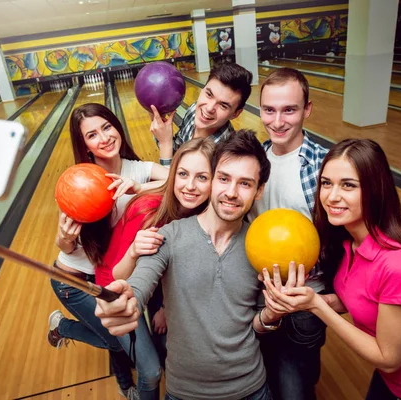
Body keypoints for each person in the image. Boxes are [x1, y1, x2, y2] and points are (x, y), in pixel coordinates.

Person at [261, 139, 401, 400]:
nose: (332, 196)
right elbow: (360, 296)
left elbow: (389, 359)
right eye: (327, 183)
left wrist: (316, 306)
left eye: (348, 185)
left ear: (376, 189)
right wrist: (309, 300)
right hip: (389, 384)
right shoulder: (350, 244)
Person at [95, 129, 281, 400]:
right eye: (224, 178)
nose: (230, 192)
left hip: (252, 388)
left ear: (259, 190)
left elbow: (256, 323)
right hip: (186, 393)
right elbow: (138, 284)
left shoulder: (262, 247)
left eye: (245, 183)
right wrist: (125, 301)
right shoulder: (168, 235)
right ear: (214, 180)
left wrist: (271, 317)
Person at [48, 103, 167, 400]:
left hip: (115, 278)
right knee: (145, 366)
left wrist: (140, 186)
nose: (103, 138)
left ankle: (122, 378)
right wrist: (63, 240)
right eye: (92, 135)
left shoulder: (136, 170)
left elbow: (179, 179)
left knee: (119, 342)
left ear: (117, 127)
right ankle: (62, 326)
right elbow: (68, 247)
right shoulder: (81, 183)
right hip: (76, 284)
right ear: (84, 146)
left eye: (106, 127)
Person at [248, 67, 328, 400]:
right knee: (263, 377)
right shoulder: (252, 163)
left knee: (296, 388)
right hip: (257, 294)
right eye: (269, 110)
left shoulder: (325, 167)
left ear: (307, 109)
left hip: (306, 299)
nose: (277, 121)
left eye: (289, 110)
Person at [149, 62, 252, 166]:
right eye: (209, 94)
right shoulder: (194, 111)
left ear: (236, 113)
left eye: (223, 106)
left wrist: (165, 143)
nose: (209, 108)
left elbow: (175, 181)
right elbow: (177, 150)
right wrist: (157, 120)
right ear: (202, 89)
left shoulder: (223, 155)